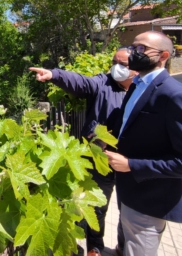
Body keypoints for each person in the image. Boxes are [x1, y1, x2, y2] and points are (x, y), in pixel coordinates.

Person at [105, 31, 182, 256]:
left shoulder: (176, 95)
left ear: (163, 56)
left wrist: (132, 164)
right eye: (133, 47)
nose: (134, 53)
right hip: (129, 190)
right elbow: (130, 128)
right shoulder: (136, 85)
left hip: (151, 198)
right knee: (124, 243)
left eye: (142, 49)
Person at [30, 48, 137, 256]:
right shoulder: (102, 83)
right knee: (97, 207)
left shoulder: (141, 90)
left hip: (128, 162)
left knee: (128, 210)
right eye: (114, 62)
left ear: (135, 68)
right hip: (100, 159)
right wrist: (54, 75)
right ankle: (95, 247)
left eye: (123, 65)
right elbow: (80, 82)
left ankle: (123, 247)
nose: (117, 67)